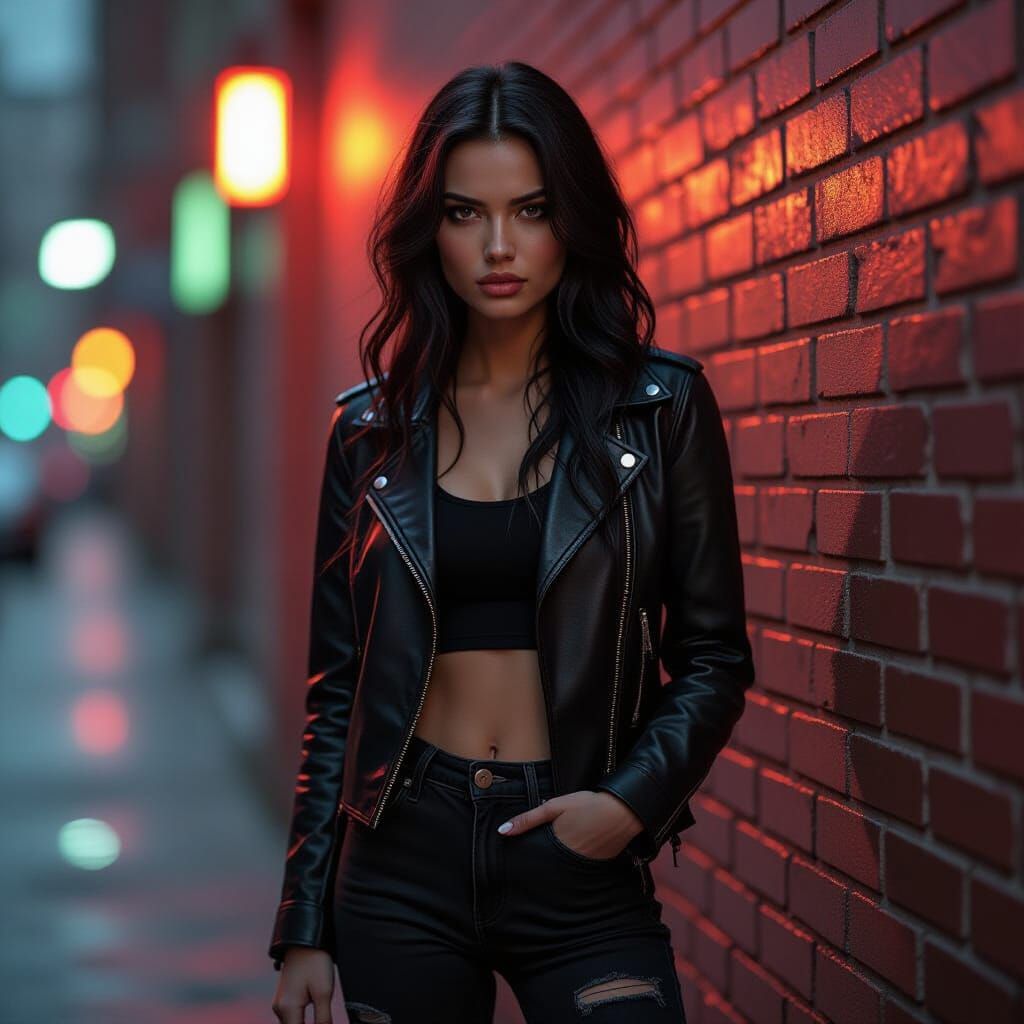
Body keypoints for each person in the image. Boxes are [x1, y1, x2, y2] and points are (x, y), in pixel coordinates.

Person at [270, 61, 755, 1024]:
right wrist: (305, 921)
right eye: (465, 214)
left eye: (530, 210)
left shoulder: (659, 411)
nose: (500, 246)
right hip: (401, 855)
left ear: (570, 220)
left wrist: (627, 805)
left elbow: (713, 657)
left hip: (575, 849)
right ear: (429, 230)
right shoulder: (368, 433)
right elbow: (340, 688)